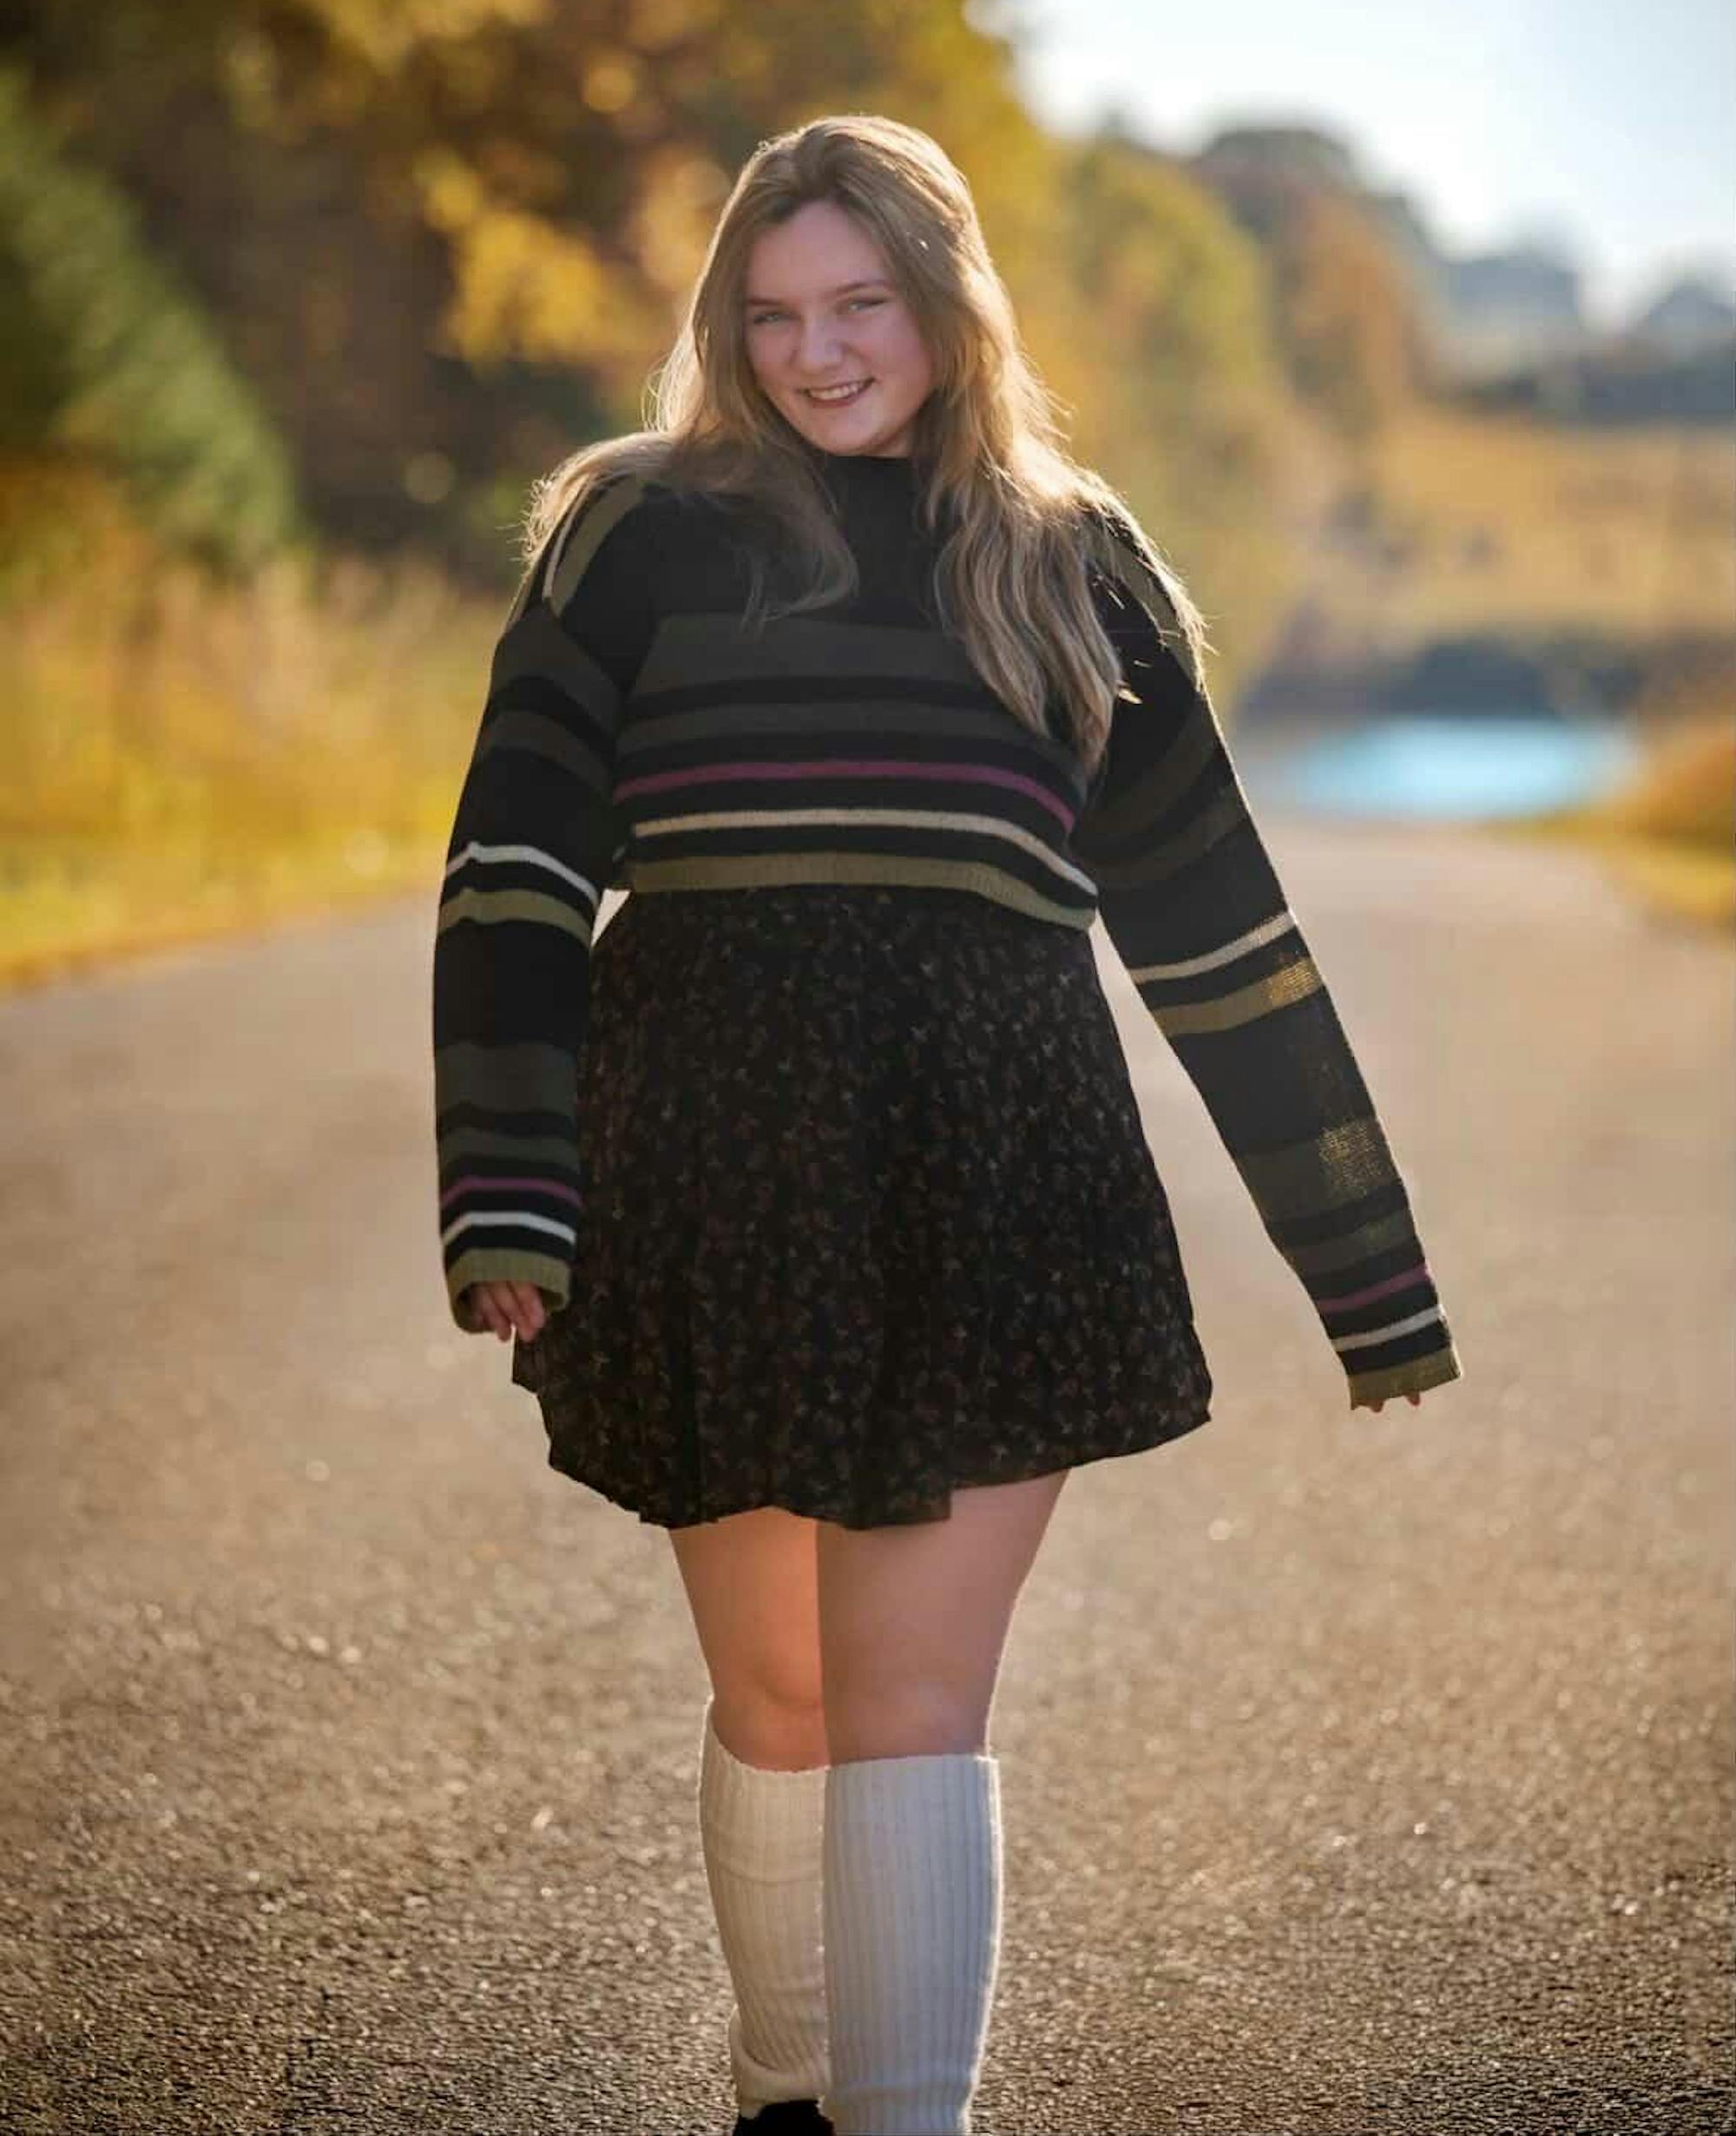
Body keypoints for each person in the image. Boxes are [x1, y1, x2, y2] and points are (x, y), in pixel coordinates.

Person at [430, 115, 1463, 2136]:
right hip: (701, 1175)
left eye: (861, 304)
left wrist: (1368, 1274)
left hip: (1001, 1170)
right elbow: (516, 874)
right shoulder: (629, 534)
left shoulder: (1071, 564)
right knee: (782, 1700)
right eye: (774, 313)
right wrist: (511, 1198)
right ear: (728, 326)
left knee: (909, 1704)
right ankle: (784, 2093)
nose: (818, 351)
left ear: (945, 299)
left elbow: (1222, 936)